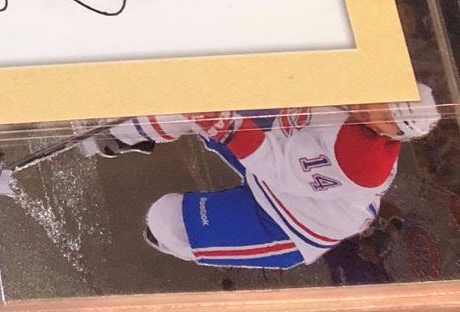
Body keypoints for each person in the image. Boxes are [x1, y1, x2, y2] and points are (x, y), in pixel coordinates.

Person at [81, 86, 439, 271]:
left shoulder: (359, 160)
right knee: (198, 96)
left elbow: (277, 166)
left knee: (165, 220)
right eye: (388, 101)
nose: (378, 107)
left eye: (387, 117)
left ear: (393, 132)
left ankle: (184, 239)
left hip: (292, 221)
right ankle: (111, 133)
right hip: (284, 147)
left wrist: (224, 125)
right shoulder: (369, 81)